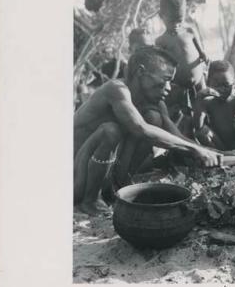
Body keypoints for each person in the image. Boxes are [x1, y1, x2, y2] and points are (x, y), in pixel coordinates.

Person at [74, 46, 221, 216]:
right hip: (75, 177)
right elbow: (140, 129)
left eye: (171, 82)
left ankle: (120, 188)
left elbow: (177, 137)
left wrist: (214, 152)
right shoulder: (115, 89)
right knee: (111, 131)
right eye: (165, 79)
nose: (168, 88)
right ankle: (90, 201)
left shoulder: (156, 103)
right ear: (141, 72)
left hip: (104, 179)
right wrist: (196, 150)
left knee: (154, 119)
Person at [155, 0, 207, 138]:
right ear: (161, 16)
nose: (177, 25)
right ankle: (188, 138)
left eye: (180, 20)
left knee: (204, 106)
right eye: (172, 21)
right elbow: (161, 64)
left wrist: (203, 55)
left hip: (199, 80)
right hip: (179, 86)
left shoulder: (189, 31)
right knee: (184, 116)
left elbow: (200, 50)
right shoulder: (161, 41)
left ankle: (204, 131)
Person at [193, 60, 235, 153]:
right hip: (220, 146)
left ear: (234, 84)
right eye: (216, 85)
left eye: (226, 85)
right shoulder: (207, 102)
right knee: (201, 132)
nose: (221, 89)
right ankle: (223, 155)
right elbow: (198, 126)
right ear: (208, 84)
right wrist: (199, 97)